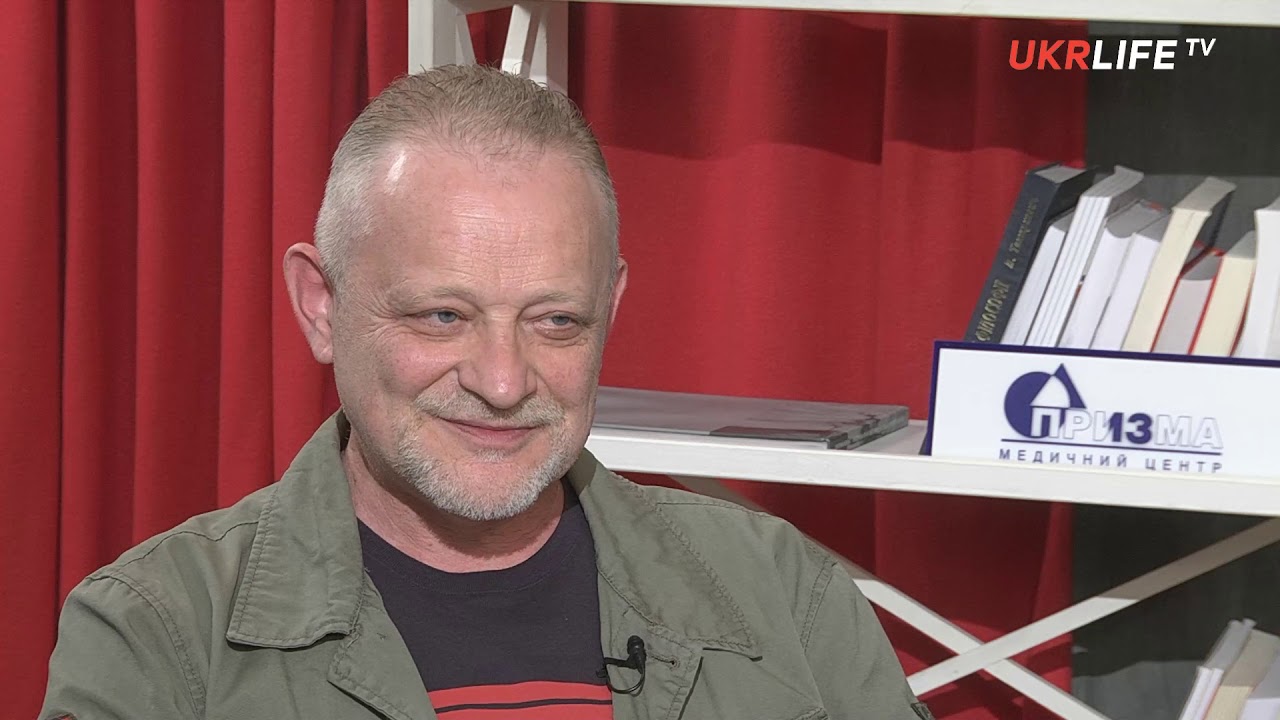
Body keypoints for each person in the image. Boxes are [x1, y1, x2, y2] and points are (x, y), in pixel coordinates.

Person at [40, 64, 932, 720]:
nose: (502, 383)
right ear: (321, 306)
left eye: (556, 321)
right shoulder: (157, 634)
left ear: (611, 308)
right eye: (442, 316)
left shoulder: (782, 590)